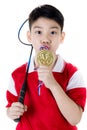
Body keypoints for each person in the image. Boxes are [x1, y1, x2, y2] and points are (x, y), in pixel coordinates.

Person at [6, 4, 86, 130]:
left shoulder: (72, 73)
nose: (45, 39)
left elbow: (75, 118)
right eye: (38, 32)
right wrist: (11, 112)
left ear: (62, 37)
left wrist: (53, 84)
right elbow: (10, 109)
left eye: (53, 32)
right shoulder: (17, 75)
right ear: (29, 36)